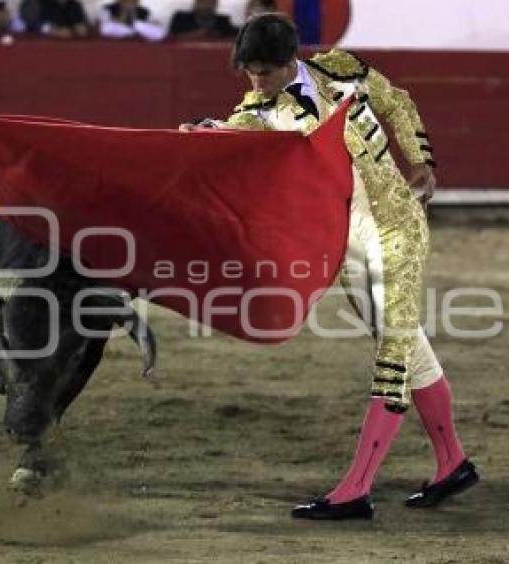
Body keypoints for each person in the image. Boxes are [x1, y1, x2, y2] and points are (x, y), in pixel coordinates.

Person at [182, 13, 478, 520]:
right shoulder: (259, 110)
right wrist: (195, 136)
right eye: (249, 72)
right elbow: (228, 136)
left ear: (288, 60)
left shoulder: (343, 69)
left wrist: (421, 159)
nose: (256, 81)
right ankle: (452, 463)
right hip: (348, 244)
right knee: (411, 350)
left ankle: (355, 489)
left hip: (397, 226)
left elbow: (396, 102)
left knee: (393, 354)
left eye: (264, 72)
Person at [98, 0, 166, 42]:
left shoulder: (145, 12)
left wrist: (135, 21)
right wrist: (123, 16)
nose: (130, 2)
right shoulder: (107, 9)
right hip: (114, 43)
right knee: (106, 28)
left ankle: (134, 27)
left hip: (139, 45)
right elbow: (104, 28)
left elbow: (159, 33)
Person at [169, 0, 238, 41]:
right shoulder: (181, 18)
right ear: (195, 3)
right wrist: (197, 34)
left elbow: (235, 37)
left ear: (216, 4)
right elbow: (172, 38)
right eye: (203, 2)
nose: (206, 6)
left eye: (210, 2)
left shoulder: (223, 21)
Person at [20, 0, 89, 38]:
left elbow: (82, 25)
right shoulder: (37, 3)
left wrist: (82, 28)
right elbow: (32, 24)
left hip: (71, 50)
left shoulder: (75, 6)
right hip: (43, 51)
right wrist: (52, 31)